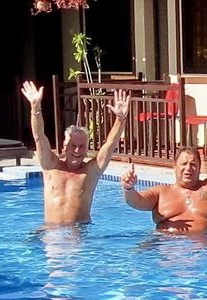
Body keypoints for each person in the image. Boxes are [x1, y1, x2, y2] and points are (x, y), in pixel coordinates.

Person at [21, 82, 128, 225]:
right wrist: (35, 107)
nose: (77, 151)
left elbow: (110, 144)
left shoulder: (90, 172)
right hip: (50, 232)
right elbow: (39, 136)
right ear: (65, 145)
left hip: (77, 235)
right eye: (73, 146)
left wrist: (120, 119)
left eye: (82, 146)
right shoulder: (50, 165)